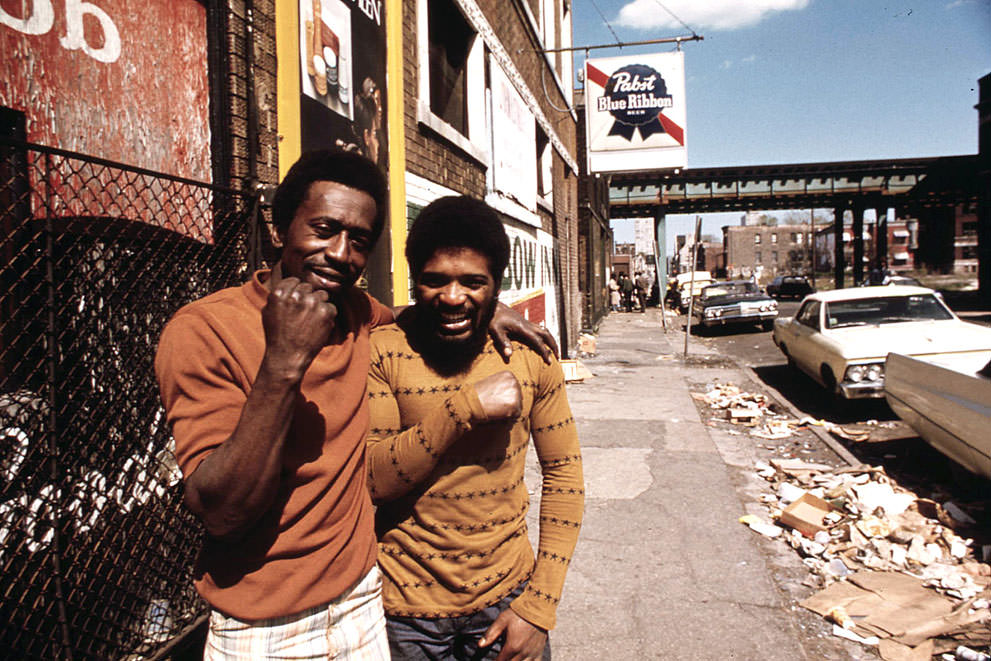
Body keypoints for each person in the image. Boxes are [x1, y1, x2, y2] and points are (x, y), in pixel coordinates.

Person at [154, 150, 557, 660]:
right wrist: (283, 361)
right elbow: (221, 513)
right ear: (279, 231)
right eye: (323, 229)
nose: (341, 253)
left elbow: (429, 311)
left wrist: (484, 302)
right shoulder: (204, 330)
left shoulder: (360, 315)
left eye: (359, 240)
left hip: (365, 603)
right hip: (263, 621)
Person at [365, 196, 584, 661]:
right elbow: (373, 480)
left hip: (508, 601)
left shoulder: (530, 356)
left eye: (473, 282)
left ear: (497, 285)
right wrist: (463, 409)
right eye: (435, 281)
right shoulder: (382, 351)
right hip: (403, 616)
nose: (452, 297)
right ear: (413, 280)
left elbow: (565, 479)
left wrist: (539, 608)